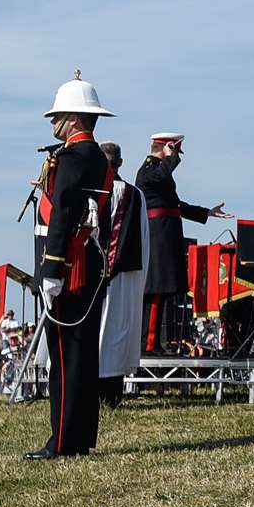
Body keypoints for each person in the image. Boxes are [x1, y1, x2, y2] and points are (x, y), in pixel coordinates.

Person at [30, 72, 114, 460]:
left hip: (71, 265)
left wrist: (51, 269)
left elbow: (63, 215)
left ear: (76, 119)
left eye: (59, 116)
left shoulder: (72, 157)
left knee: (64, 357)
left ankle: (62, 441)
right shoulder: (97, 157)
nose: (53, 123)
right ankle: (79, 437)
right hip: (91, 262)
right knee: (82, 357)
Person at [138, 134, 231, 356]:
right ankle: (147, 344)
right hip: (157, 236)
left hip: (166, 236)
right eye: (175, 150)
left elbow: (176, 204)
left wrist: (206, 213)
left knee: (163, 291)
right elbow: (158, 178)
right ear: (167, 147)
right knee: (156, 291)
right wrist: (171, 158)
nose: (178, 156)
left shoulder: (161, 173)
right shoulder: (149, 170)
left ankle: (154, 343)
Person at [97, 142, 150, 404]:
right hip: (125, 276)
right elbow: (144, 240)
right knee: (116, 335)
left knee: (99, 334)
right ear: (120, 163)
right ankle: (111, 394)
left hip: (95, 273)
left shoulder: (92, 191)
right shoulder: (135, 195)